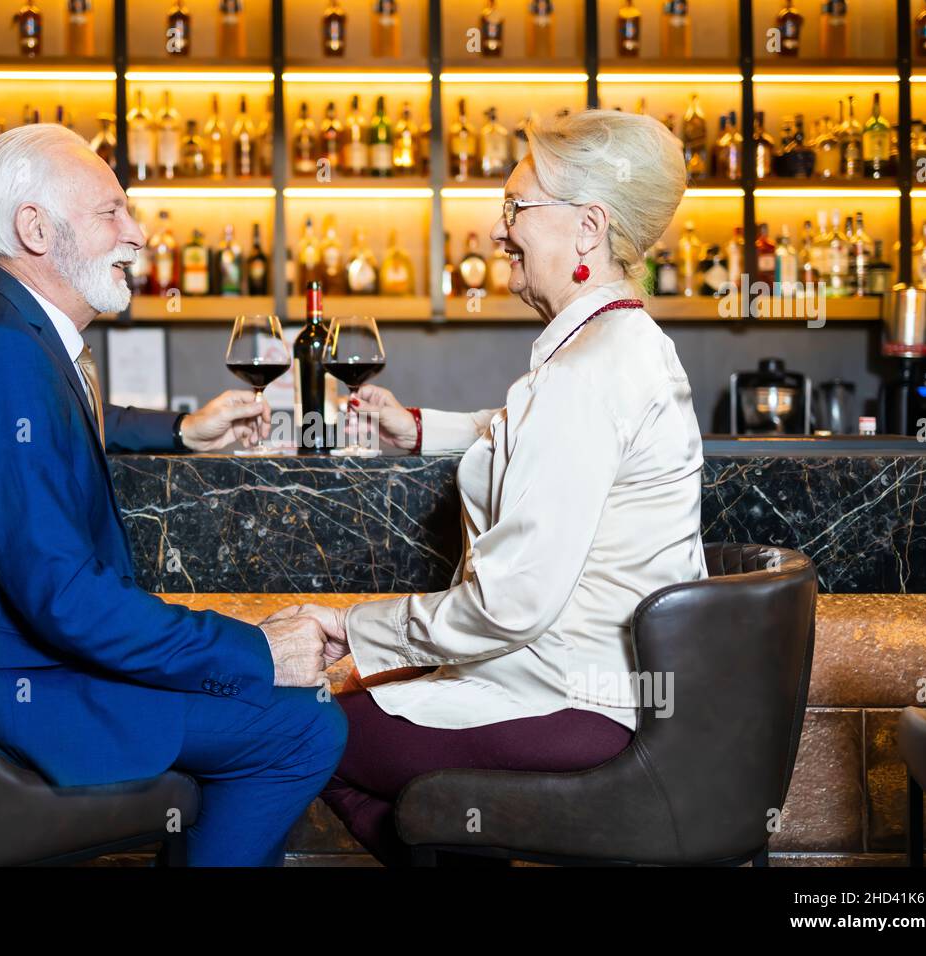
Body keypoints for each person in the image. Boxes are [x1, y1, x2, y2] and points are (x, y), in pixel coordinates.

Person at [0, 123, 345, 867]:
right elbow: (61, 597)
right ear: (35, 228)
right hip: (16, 691)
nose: (138, 235)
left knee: (278, 713)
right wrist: (256, 649)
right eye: (112, 212)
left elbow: (71, 419)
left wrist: (181, 429)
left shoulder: (10, 334)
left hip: (23, 669)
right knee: (305, 726)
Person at [289, 109, 708, 865]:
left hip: (569, 707)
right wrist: (421, 428)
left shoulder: (583, 374)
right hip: (615, 696)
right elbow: (535, 432)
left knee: (293, 727)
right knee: (428, 808)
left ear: (588, 228)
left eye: (516, 208)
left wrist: (353, 630)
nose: (498, 230)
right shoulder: (624, 343)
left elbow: (509, 605)